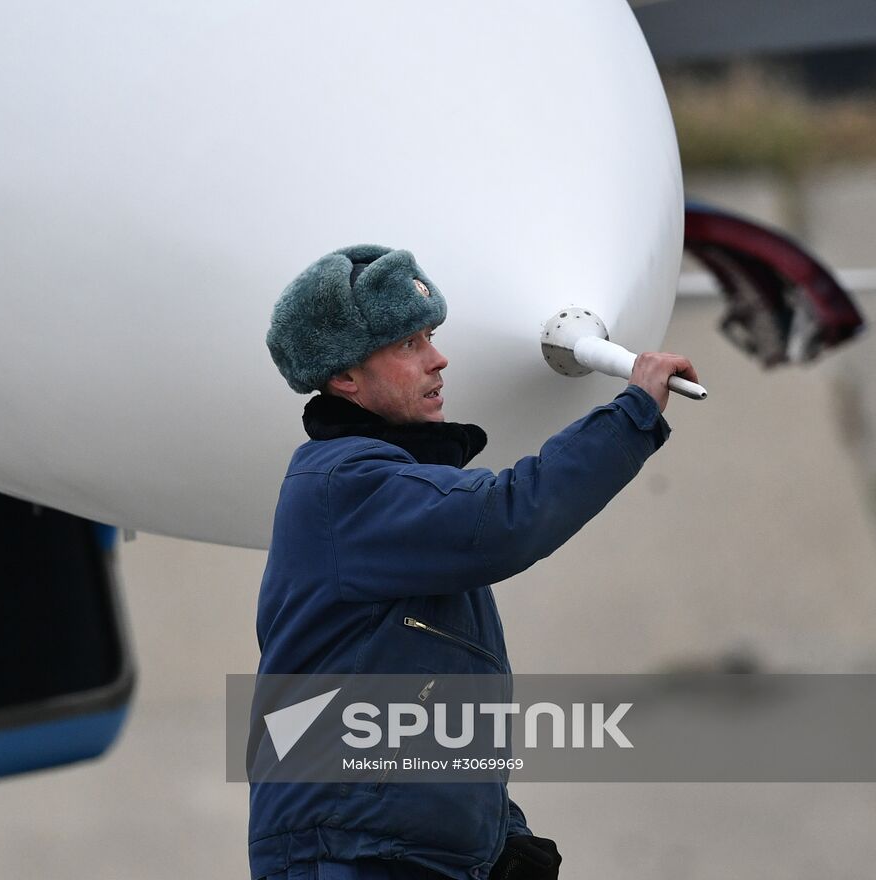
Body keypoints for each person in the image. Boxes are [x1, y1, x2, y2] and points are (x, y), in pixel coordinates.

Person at [249, 244, 697, 880]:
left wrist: (500, 837)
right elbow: (510, 516)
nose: (438, 357)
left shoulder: (393, 510)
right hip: (348, 859)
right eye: (408, 344)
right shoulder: (346, 485)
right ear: (345, 377)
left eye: (430, 335)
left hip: (393, 855)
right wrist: (634, 412)